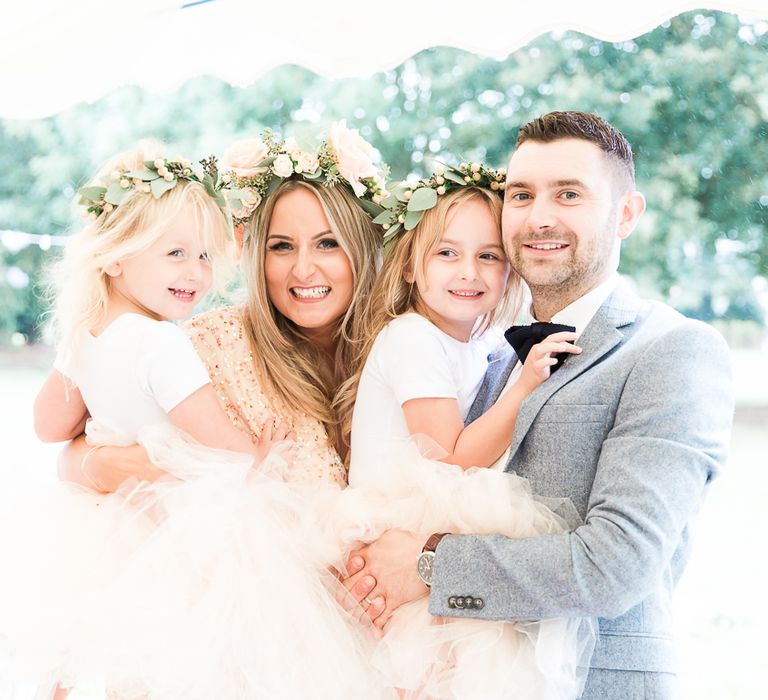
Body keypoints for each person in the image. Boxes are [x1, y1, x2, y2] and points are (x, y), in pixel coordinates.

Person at [342, 111, 734, 700]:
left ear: (626, 214)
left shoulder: (673, 350)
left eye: (569, 194)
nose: (539, 216)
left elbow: (615, 565)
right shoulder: (491, 356)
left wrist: (427, 564)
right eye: (521, 195)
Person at [3, 126, 394, 700]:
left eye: (328, 243)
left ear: (363, 247)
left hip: (382, 629)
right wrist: (109, 466)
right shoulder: (207, 340)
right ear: (256, 252)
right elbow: (70, 450)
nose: (303, 269)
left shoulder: (405, 345)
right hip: (248, 624)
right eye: (281, 246)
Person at [331, 166, 593, 699]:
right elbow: (447, 461)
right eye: (446, 253)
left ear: (509, 271)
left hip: (429, 533)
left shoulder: (480, 345)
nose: (468, 272)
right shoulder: (412, 338)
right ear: (409, 265)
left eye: (488, 255)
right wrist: (524, 387)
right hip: (396, 534)